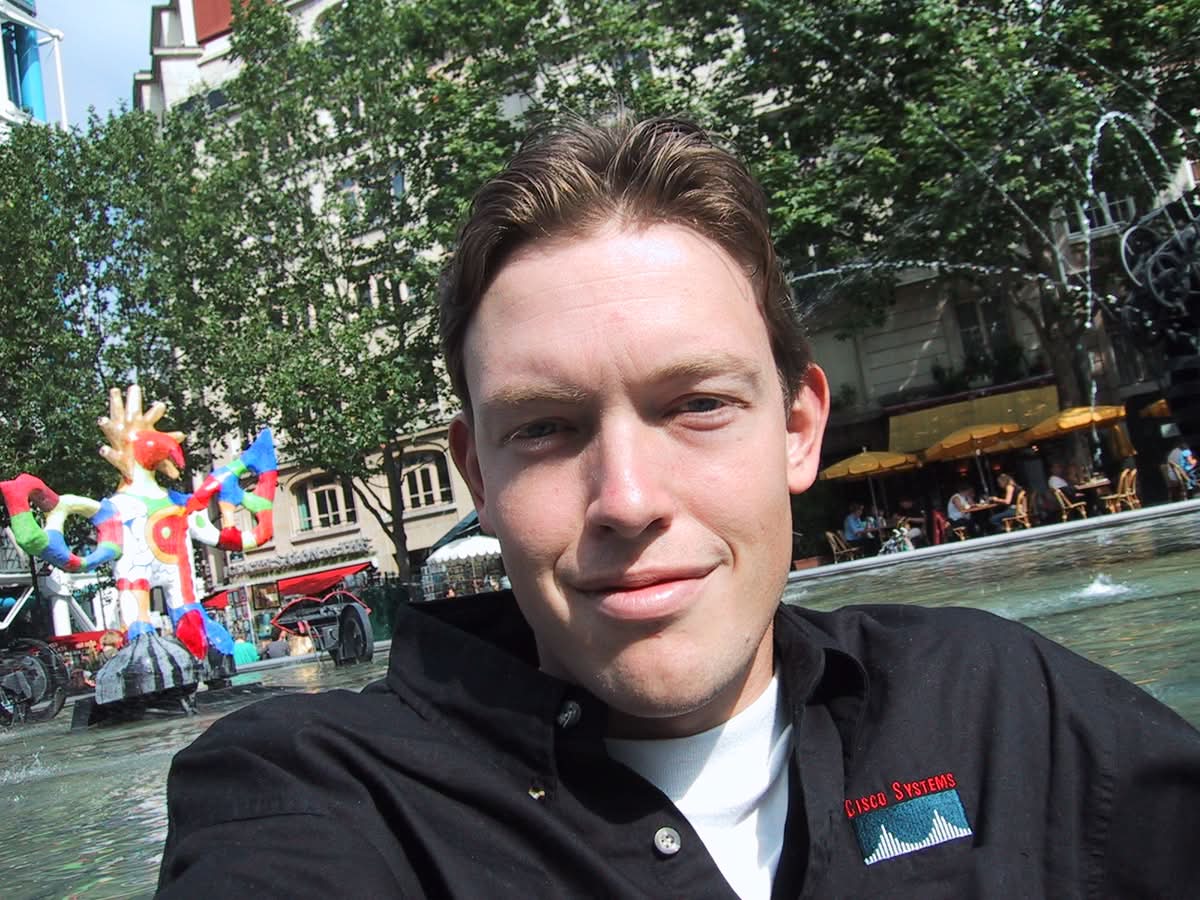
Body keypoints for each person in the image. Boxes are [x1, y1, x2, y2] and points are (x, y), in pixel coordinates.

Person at [157, 115, 1200, 897]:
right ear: (478, 475)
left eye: (698, 405)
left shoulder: (1004, 708)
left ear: (798, 429)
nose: (628, 498)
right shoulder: (313, 796)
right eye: (546, 428)